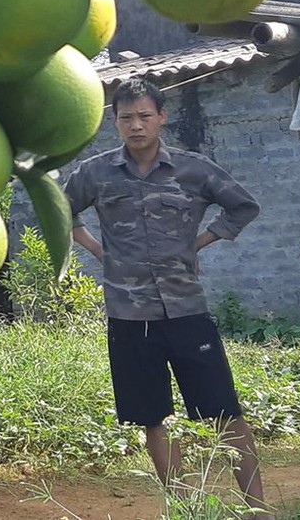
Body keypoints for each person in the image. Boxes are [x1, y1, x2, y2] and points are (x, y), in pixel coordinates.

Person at [65, 78, 266, 508]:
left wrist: (201, 242)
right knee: (152, 417)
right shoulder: (95, 173)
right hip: (128, 314)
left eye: (143, 116)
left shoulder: (194, 169)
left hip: (187, 309)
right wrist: (98, 250)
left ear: (161, 117)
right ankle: (186, 508)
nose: (135, 126)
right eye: (125, 118)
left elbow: (243, 205)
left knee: (225, 412)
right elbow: (58, 209)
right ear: (114, 121)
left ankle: (257, 511)